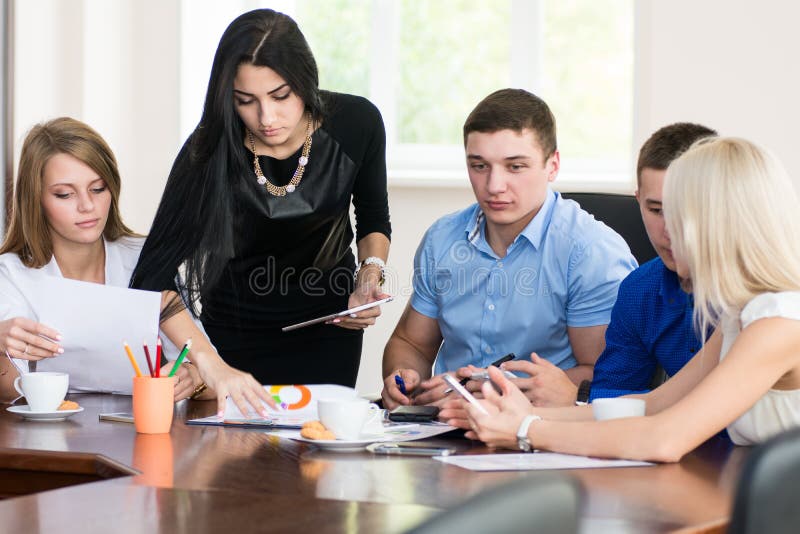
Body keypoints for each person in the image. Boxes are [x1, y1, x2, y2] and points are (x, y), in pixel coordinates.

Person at [448, 137, 800, 461]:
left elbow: (665, 439)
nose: (666, 231)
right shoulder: (745, 312)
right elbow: (655, 404)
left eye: (678, 216)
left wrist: (526, 431)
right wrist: (524, 413)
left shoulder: (779, 321)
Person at [130, 9, 391, 387]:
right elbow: (152, 276)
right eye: (245, 100)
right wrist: (207, 361)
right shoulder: (207, 150)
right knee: (236, 442)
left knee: (316, 440)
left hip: (329, 327)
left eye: (280, 95)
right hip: (231, 336)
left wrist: (369, 275)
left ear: (306, 80)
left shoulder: (357, 123)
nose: (266, 117)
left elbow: (373, 217)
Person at [381, 89, 637, 410]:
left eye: (515, 167)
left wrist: (491, 391)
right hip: (447, 430)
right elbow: (411, 343)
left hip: (544, 432)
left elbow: (605, 377)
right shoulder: (442, 238)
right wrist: (403, 379)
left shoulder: (590, 251)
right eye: (479, 166)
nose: (494, 186)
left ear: (552, 165)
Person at [0, 117, 274, 417]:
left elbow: (213, 378)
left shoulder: (143, 259)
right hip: (48, 443)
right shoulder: (11, 274)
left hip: (140, 439)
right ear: (34, 199)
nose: (87, 206)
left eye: (98, 189)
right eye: (65, 194)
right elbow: (11, 392)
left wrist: (193, 378)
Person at [588, 123, 717, 401]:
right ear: (638, 202)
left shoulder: (755, 295)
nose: (670, 229)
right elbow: (612, 394)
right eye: (656, 210)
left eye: (685, 209)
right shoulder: (639, 290)